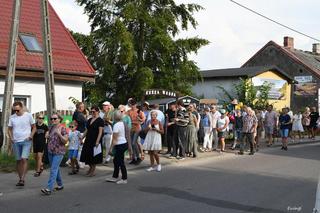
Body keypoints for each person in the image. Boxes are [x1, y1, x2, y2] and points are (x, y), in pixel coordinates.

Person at [8, 101, 36, 187]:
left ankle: (22, 179)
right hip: (16, 141)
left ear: (22, 108)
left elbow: (34, 127)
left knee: (24, 159)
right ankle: (20, 178)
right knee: (18, 160)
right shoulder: (12, 117)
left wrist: (31, 136)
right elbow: (9, 129)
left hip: (26, 140)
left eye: (17, 110)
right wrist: (11, 138)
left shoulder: (28, 115)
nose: (16, 112)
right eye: (14, 110)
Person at [41, 113, 68, 195]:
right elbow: (49, 138)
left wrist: (59, 134)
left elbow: (65, 141)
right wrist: (47, 136)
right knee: (56, 169)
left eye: (55, 118)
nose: (53, 120)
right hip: (50, 151)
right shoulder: (51, 127)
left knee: (53, 169)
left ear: (60, 119)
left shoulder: (63, 128)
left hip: (59, 152)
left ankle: (49, 188)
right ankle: (60, 185)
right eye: (51, 119)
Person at [106, 110, 132, 184]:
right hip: (123, 144)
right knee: (116, 160)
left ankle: (124, 178)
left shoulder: (116, 125)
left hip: (120, 144)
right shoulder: (123, 123)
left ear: (114, 117)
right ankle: (115, 176)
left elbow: (114, 139)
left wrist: (110, 149)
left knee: (120, 161)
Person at [80, 106, 104, 177]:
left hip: (95, 140)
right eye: (91, 112)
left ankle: (92, 171)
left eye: (94, 111)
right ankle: (90, 168)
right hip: (88, 140)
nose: (92, 113)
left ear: (98, 112)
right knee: (87, 155)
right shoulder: (90, 119)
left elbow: (100, 132)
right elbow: (87, 130)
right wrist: (82, 137)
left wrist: (97, 141)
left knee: (93, 156)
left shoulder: (100, 120)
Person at [127, 99, 146, 165]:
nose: (132, 106)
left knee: (133, 143)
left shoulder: (139, 111)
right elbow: (125, 118)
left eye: (133, 105)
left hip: (137, 128)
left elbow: (143, 120)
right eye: (131, 105)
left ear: (135, 104)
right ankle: (134, 158)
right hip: (131, 129)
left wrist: (139, 119)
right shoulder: (128, 111)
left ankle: (138, 158)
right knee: (132, 144)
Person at [72, 102, 87, 169]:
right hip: (81, 132)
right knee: (80, 148)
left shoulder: (75, 113)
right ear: (80, 107)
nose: (83, 108)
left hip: (76, 132)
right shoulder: (80, 114)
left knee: (76, 148)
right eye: (83, 106)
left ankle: (71, 161)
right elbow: (86, 122)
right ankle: (79, 162)